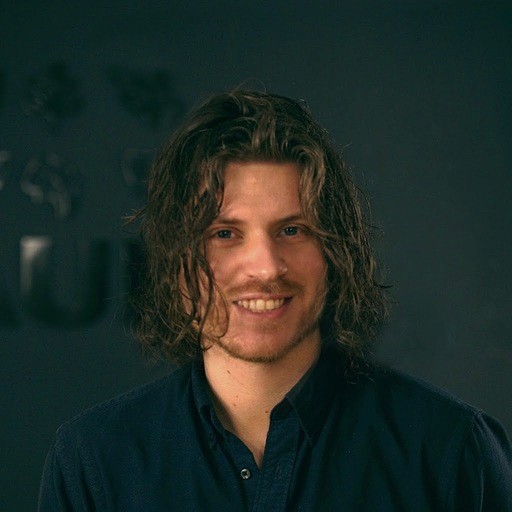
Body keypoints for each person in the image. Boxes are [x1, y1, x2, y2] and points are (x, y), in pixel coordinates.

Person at [38, 90, 512, 511]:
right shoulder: (92, 460)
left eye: (292, 230)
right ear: (175, 258)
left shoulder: (450, 450)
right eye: (224, 233)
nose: (265, 268)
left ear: (335, 251)